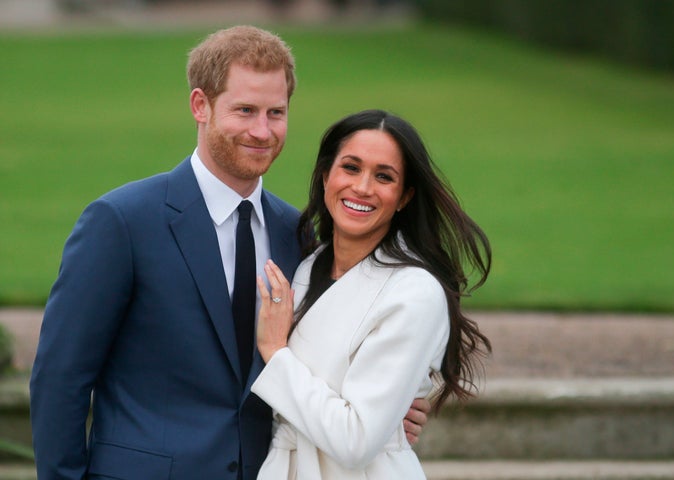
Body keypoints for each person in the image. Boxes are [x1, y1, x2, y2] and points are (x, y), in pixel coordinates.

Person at [29, 26, 428, 480]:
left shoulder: (297, 234)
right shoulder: (121, 222)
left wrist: (391, 408)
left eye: (276, 112)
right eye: (245, 110)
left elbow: (321, 355)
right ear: (201, 105)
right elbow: (60, 379)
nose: (262, 131)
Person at [249, 109, 492, 478]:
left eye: (384, 176)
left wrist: (275, 353)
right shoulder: (306, 266)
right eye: (350, 167)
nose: (362, 187)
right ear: (326, 174)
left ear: (405, 196)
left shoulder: (413, 292)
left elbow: (357, 440)